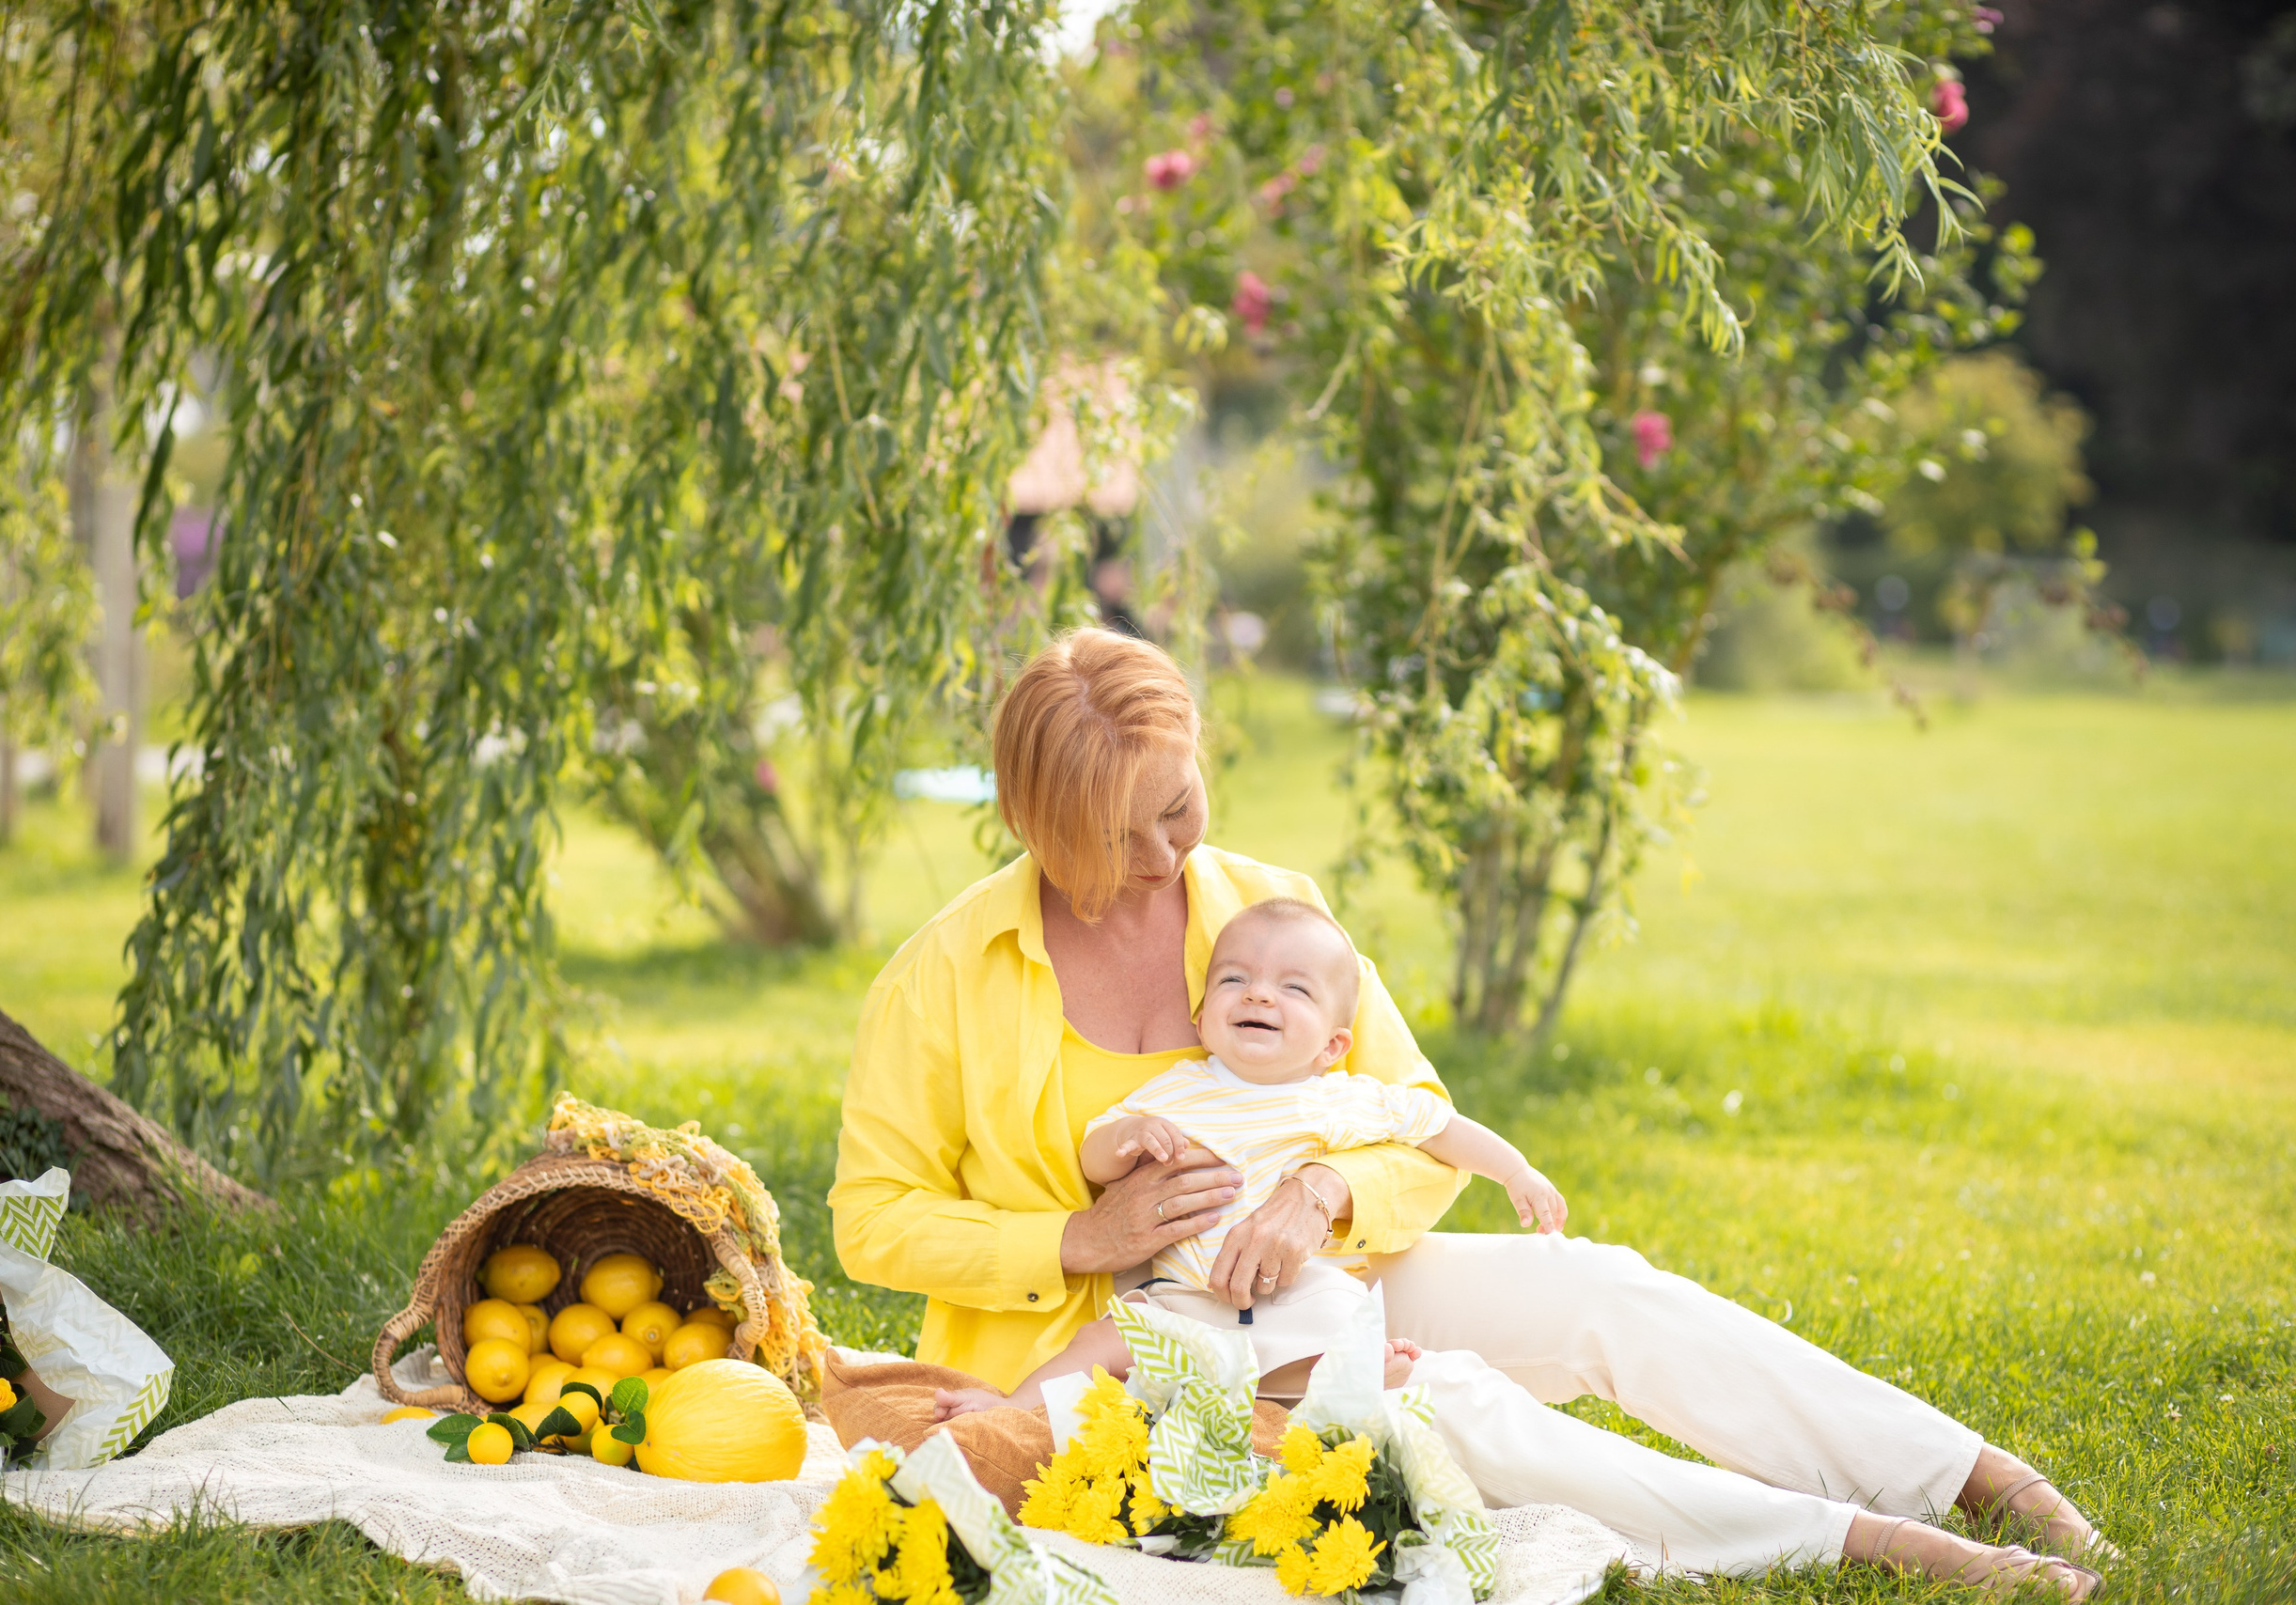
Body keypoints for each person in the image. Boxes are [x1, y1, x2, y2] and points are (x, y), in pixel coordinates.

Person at [832, 628, 2108, 1592]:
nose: (1168, 858)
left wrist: (1324, 1188)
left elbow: (1415, 1113)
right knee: (1453, 1411)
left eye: (1180, 806)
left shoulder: (1268, 904)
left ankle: (1971, 1474)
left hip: (1330, 1274)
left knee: (1601, 1288)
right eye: (1124, 836)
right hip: (1136, 1353)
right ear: (1037, 820)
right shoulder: (948, 972)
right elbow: (870, 1222)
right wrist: (1075, 1241)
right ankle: (1866, 1542)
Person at [932, 895, 1564, 1416]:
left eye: (1294, 988)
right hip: (1178, 1294)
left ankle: (1359, 1365)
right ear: (1203, 1020)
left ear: (1333, 1044)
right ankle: (1013, 1407)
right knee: (1109, 1338)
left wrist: (1515, 1170)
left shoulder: (1341, 1100)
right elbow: (1096, 1153)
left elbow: (1440, 1127)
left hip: (1285, 1286)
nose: (1260, 996)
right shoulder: (1178, 1090)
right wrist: (1127, 1140)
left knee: (1339, 1301)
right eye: (1236, 979)